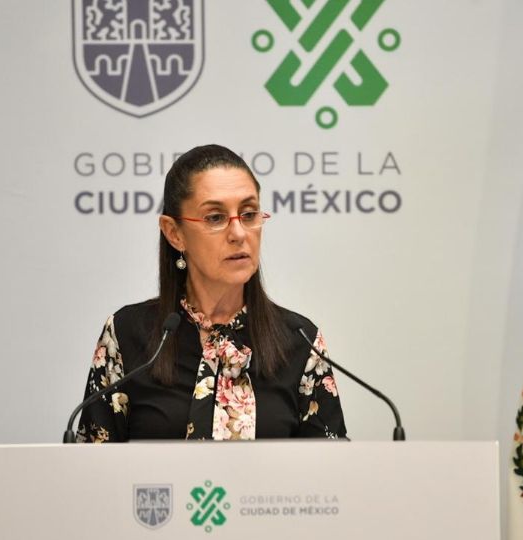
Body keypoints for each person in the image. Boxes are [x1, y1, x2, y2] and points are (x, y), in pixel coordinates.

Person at [76, 144, 346, 442]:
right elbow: (93, 472)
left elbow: (329, 476)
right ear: (174, 233)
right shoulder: (128, 334)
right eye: (215, 218)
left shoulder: (300, 339)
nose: (239, 233)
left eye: (248, 213)